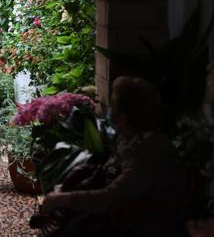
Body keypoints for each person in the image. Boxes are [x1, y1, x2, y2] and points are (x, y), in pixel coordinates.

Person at [40, 76, 187, 237]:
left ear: (123, 118)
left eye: (112, 107)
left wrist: (60, 199)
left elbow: (110, 197)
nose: (108, 111)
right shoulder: (131, 139)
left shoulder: (151, 153)